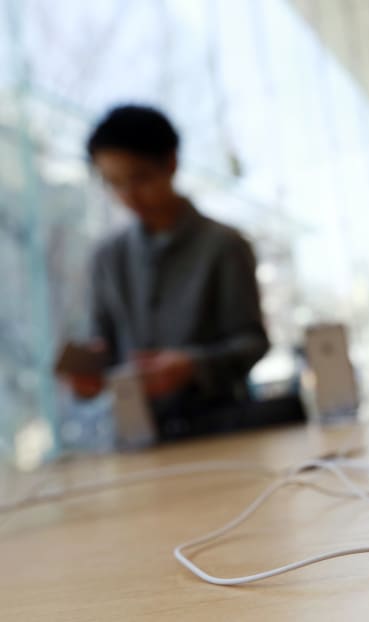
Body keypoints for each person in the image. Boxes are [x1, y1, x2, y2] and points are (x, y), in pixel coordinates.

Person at [65, 105, 270, 439]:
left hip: (222, 430)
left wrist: (193, 366)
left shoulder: (224, 245)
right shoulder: (107, 257)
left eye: (139, 178)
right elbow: (103, 347)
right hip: (136, 435)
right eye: (113, 183)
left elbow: (252, 342)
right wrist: (87, 377)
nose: (128, 196)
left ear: (171, 164)